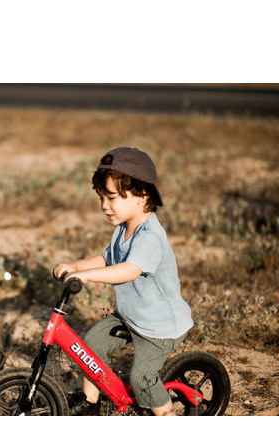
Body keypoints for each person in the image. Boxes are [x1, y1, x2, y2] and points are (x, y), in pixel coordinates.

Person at [53, 147, 194, 416]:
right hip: (130, 317)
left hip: (159, 327)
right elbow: (108, 258)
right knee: (91, 347)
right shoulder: (123, 229)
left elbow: (128, 269)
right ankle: (90, 404)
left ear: (142, 197)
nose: (105, 205)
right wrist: (76, 266)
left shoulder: (150, 236)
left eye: (113, 197)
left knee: (142, 379)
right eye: (101, 198)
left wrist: (87, 276)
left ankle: (167, 415)